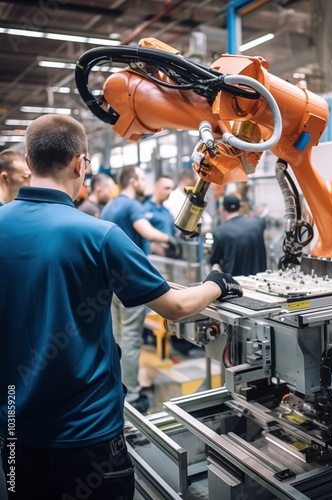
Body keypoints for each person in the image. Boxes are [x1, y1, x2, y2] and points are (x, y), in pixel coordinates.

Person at [0, 114, 242, 500]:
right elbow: (176, 306)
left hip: (14, 432)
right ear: (81, 163)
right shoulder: (97, 235)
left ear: (28, 163)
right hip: (87, 435)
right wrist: (216, 284)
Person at [101, 165, 183, 411]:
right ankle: (133, 395)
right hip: (129, 282)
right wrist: (171, 239)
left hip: (110, 283)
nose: (145, 183)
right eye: (142, 178)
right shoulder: (132, 204)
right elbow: (146, 231)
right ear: (133, 181)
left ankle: (117, 388)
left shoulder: (110, 205)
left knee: (117, 337)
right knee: (133, 340)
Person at [210, 194, 267, 276]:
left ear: (222, 209)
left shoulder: (220, 232)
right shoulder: (259, 223)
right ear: (240, 208)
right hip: (260, 281)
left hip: (235, 284)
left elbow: (214, 261)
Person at [165, 168, 213, 234]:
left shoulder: (189, 197)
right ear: (187, 181)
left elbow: (207, 219)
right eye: (195, 183)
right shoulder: (173, 198)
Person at [143, 175, 177, 256]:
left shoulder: (166, 211)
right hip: (153, 258)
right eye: (167, 188)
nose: (170, 192)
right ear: (156, 188)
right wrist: (151, 246)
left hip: (167, 256)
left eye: (172, 189)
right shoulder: (145, 209)